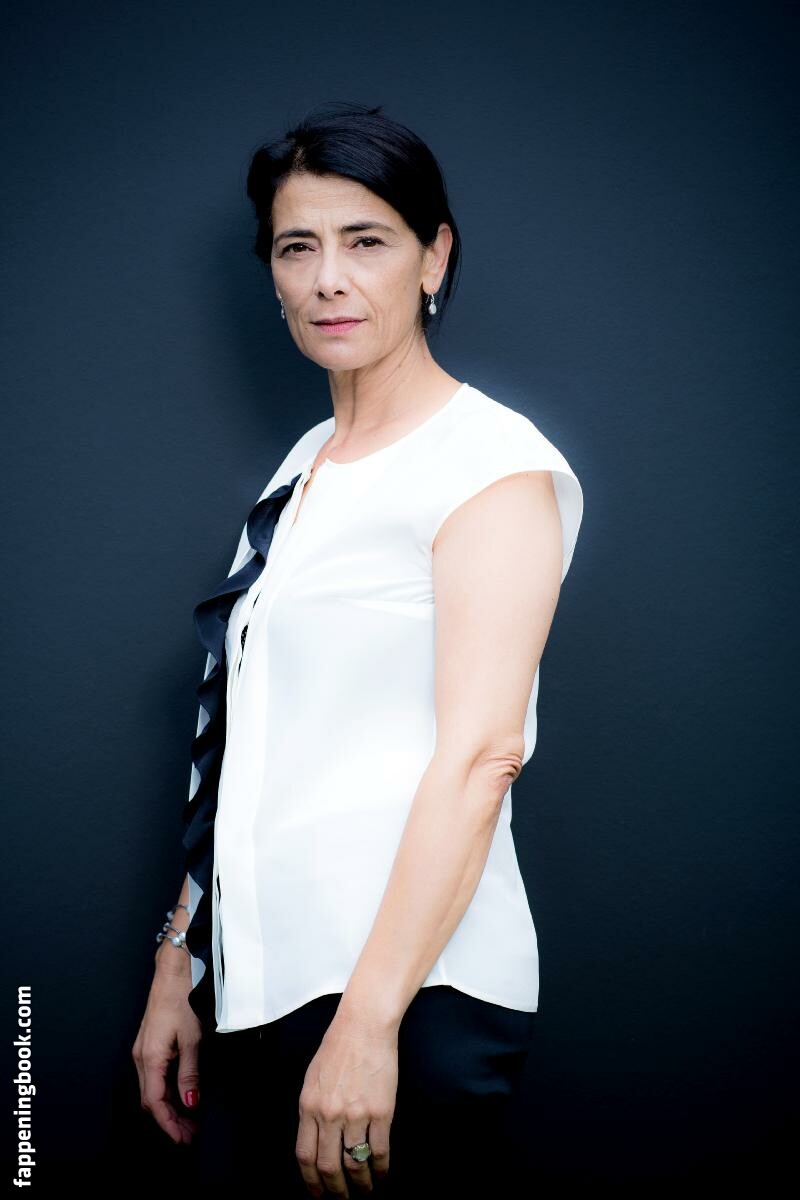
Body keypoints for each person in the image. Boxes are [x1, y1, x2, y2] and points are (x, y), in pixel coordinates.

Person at [132, 100, 584, 1197]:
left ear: (434, 257)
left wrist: (369, 1025)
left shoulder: (490, 465)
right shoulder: (305, 465)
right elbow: (250, 742)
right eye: (298, 248)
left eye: (366, 240)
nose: (328, 279)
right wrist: (180, 960)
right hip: (268, 987)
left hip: (403, 999)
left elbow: (481, 757)